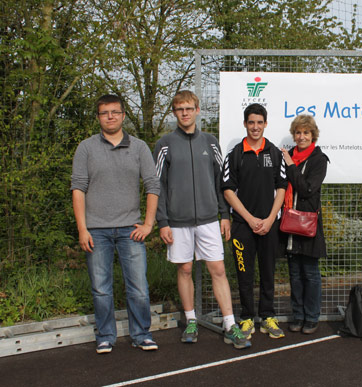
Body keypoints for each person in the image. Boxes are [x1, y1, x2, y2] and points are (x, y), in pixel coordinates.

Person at [153, 90, 250, 349]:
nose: (185, 113)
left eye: (189, 108)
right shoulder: (164, 144)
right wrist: (162, 221)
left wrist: (224, 215)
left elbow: (222, 183)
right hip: (177, 221)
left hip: (209, 220)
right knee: (184, 270)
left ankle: (230, 325)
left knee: (217, 270)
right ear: (174, 112)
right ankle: (191, 321)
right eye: (179, 109)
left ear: (197, 110)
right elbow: (157, 186)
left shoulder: (211, 142)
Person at [71, 94, 160, 354]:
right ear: (98, 117)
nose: (110, 116)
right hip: (96, 231)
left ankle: (142, 334)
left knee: (139, 289)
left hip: (130, 230)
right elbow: (78, 188)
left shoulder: (139, 147)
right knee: (101, 288)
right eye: (104, 112)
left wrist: (149, 224)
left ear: (123, 115)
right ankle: (106, 335)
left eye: (115, 112)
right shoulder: (86, 148)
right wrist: (82, 228)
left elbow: (153, 185)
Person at [221, 103, 288, 340]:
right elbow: (228, 190)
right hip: (242, 226)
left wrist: (270, 219)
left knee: (268, 273)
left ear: (265, 124)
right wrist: (250, 220)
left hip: (269, 226)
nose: (255, 127)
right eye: (251, 122)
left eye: (260, 122)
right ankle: (247, 318)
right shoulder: (235, 154)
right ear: (245, 124)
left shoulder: (275, 153)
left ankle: (268, 316)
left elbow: (281, 188)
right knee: (244, 274)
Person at [280, 114, 329, 334]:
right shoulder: (288, 155)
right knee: (294, 273)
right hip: (289, 222)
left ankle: (311, 316)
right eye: (298, 133)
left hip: (307, 224)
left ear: (313, 135)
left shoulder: (319, 160)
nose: (301, 137)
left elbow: (307, 189)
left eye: (306, 133)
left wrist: (291, 166)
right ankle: (298, 315)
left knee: (310, 272)